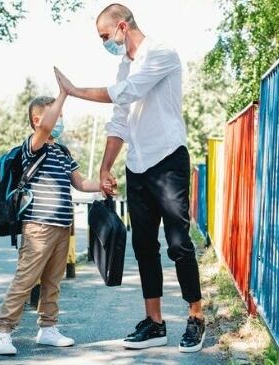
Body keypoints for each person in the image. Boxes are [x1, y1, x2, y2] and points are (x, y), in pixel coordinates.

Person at [54, 3, 207, 353]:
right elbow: (120, 120)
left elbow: (129, 93)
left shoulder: (161, 53)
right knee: (143, 246)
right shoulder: (124, 66)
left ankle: (196, 316)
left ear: (122, 27)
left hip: (168, 159)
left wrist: (75, 91)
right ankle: (154, 324)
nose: (104, 43)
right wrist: (106, 167)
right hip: (137, 164)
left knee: (178, 242)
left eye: (105, 36)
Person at [0, 69, 101, 356]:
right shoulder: (34, 147)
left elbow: (80, 183)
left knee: (53, 281)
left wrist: (103, 184)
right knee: (25, 280)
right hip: (38, 227)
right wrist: (64, 92)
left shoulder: (63, 152)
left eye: (61, 115)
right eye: (55, 114)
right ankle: (3, 332)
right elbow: (44, 129)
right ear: (38, 120)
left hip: (63, 226)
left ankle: (48, 328)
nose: (60, 120)